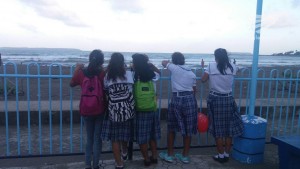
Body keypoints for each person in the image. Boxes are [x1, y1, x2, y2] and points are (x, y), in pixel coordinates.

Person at [201, 48, 244, 163]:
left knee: (217, 128)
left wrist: (203, 68)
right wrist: (234, 65)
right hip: (228, 99)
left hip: (215, 99)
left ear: (216, 56)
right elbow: (238, 70)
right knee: (229, 127)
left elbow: (203, 80)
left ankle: (220, 155)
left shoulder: (211, 66)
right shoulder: (232, 67)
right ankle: (226, 154)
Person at [70, 49, 106, 169]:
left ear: (90, 59)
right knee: (97, 138)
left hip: (85, 109)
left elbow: (72, 83)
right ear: (101, 61)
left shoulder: (82, 73)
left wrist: (77, 68)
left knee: (89, 138)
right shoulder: (101, 73)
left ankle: (87, 164)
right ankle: (96, 165)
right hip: (99, 109)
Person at [160, 52, 198, 164]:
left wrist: (169, 63)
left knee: (172, 127)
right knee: (188, 128)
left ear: (174, 60)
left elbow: (163, 63)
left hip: (177, 98)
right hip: (190, 99)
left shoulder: (175, 68)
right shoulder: (191, 72)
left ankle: (170, 155)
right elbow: (194, 89)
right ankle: (185, 156)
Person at [102, 52, 135, 169]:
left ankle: (119, 163)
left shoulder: (107, 76)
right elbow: (131, 89)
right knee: (125, 133)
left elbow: (106, 90)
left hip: (114, 109)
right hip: (128, 108)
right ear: (122, 62)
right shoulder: (129, 74)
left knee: (115, 138)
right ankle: (125, 150)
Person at [131, 53, 161, 167]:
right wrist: (153, 66)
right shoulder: (152, 75)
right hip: (152, 108)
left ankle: (146, 159)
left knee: (142, 136)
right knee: (152, 135)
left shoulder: (134, 75)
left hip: (139, 109)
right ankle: (154, 157)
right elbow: (160, 73)